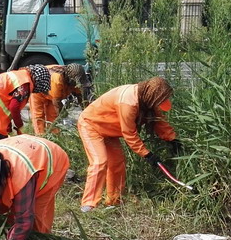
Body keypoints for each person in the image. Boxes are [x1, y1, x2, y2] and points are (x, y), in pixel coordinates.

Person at [77, 76, 181, 211]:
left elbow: (159, 120)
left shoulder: (147, 99)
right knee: (99, 162)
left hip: (108, 130)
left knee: (117, 163)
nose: (160, 103)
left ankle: (114, 201)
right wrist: (147, 155)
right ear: (153, 95)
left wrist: (172, 139)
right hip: (90, 125)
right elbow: (129, 133)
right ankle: (88, 205)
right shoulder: (128, 102)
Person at [0, 65, 52, 143]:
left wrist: (8, 129)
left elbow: (5, 102)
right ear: (38, 82)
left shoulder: (19, 75)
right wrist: (20, 126)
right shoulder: (25, 84)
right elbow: (14, 107)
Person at [28, 63, 88, 135]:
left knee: (53, 116)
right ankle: (40, 137)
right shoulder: (57, 80)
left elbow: (81, 97)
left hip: (51, 93)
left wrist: (86, 113)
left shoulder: (75, 79)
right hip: (38, 91)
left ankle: (53, 136)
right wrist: (62, 113)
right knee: (38, 116)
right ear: (70, 79)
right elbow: (57, 102)